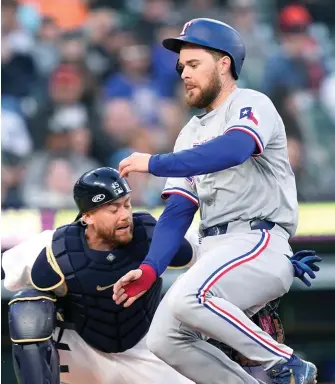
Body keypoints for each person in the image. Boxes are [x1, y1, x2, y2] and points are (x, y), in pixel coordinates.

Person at [112, 19, 319, 384]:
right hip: (215, 249)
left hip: (257, 240)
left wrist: (154, 163)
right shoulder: (189, 133)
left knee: (189, 296)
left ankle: (286, 362)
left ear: (224, 62)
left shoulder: (251, 103)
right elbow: (178, 211)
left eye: (194, 65)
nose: (184, 74)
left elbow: (235, 148)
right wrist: (149, 270)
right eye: (181, 68)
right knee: (164, 339)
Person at [2, 167, 197, 384]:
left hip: (143, 348)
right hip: (82, 351)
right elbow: (5, 267)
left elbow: (213, 253)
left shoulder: (153, 233)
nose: (124, 215)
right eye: (113, 209)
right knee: (28, 306)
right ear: (87, 216)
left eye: (127, 204)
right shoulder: (57, 247)